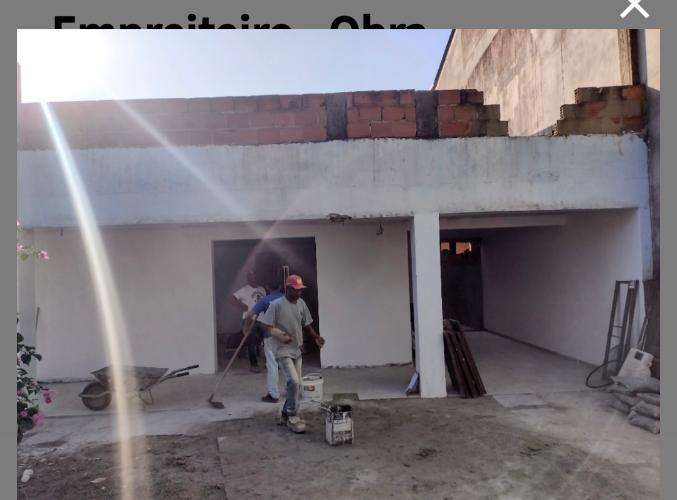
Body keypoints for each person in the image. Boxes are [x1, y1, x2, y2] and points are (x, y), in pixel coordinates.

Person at [259, 274, 325, 433]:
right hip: (282, 349)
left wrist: (316, 337)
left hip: (297, 349)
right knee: (294, 382)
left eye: (300, 290)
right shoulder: (276, 305)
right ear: (287, 288)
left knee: (296, 385)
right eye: (295, 290)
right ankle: (293, 416)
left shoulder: (301, 303)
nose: (298, 293)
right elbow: (266, 325)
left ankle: (284, 413)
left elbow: (306, 325)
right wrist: (279, 334)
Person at [244, 281, 285, 403]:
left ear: (267, 287)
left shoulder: (265, 300)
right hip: (286, 336)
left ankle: (273, 395)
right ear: (280, 286)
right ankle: (292, 391)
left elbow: (249, 315)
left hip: (271, 336)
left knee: (272, 365)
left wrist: (246, 328)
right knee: (287, 364)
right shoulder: (288, 298)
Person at [228, 270, 266, 373]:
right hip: (249, 320)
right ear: (247, 278)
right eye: (250, 277)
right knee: (251, 343)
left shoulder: (262, 289)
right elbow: (231, 299)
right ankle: (254, 365)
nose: (252, 278)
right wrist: (242, 306)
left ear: (257, 277)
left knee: (267, 341)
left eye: (254, 276)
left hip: (262, 319)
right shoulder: (244, 290)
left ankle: (270, 363)